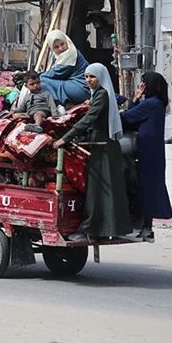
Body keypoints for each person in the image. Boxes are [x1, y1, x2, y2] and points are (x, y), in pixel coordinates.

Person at [52, 63, 132, 242]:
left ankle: (91, 229)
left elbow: (89, 120)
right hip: (100, 147)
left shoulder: (102, 94)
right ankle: (106, 228)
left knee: (99, 191)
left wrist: (65, 138)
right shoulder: (98, 95)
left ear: (100, 78)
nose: (88, 80)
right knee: (105, 191)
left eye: (92, 77)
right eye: (86, 77)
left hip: (103, 149)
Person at [120, 72, 172, 242]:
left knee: (144, 188)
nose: (141, 87)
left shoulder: (150, 104)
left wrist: (134, 100)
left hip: (148, 152)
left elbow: (126, 119)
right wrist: (136, 99)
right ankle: (146, 229)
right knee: (148, 188)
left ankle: (140, 228)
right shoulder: (158, 104)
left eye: (143, 84)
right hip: (154, 151)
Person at [39, 30, 90, 106]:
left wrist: (37, 75)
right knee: (42, 82)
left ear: (66, 41)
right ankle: (64, 102)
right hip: (74, 86)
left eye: (62, 44)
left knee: (41, 80)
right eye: (56, 47)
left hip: (81, 88)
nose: (61, 48)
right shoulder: (58, 55)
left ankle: (60, 103)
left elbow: (55, 73)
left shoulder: (70, 54)